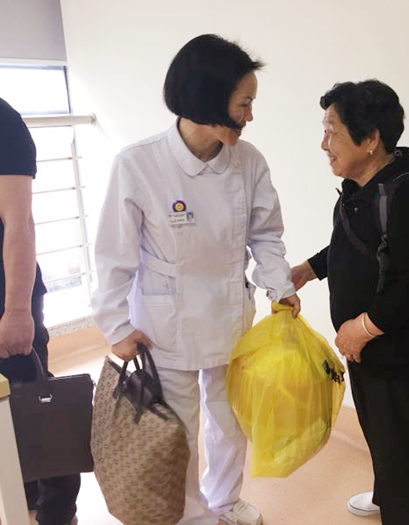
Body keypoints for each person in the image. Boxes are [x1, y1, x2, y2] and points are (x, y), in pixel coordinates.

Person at [91, 34, 300, 525]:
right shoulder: (139, 164)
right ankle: (189, 515)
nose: (250, 115)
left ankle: (224, 500)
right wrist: (115, 326)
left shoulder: (249, 162)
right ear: (208, 101)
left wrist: (280, 285)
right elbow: (113, 255)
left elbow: (266, 234)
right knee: (178, 429)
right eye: (244, 103)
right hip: (167, 322)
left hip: (229, 311)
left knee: (230, 421)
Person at [291, 80, 409, 525]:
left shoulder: (408, 194)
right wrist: (308, 270)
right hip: (366, 348)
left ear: (371, 138)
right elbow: (354, 247)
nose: (324, 145)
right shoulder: (361, 188)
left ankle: (405, 515)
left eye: (332, 132)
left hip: (398, 351)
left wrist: (362, 328)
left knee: (399, 446)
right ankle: (385, 496)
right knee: (379, 431)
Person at [0, 97, 80, 525]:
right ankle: (23, 496)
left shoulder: (4, 122)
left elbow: (20, 222)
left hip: (6, 302)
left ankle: (55, 512)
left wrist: (16, 311)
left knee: (34, 408)